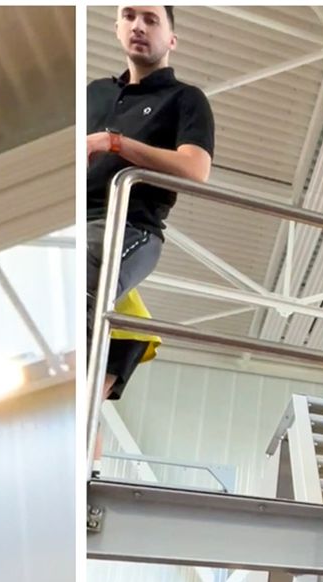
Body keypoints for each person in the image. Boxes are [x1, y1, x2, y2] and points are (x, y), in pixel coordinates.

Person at [85, 6, 214, 340]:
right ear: (116, 28)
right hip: (79, 218)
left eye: (151, 19)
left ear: (172, 39)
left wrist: (115, 143)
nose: (138, 26)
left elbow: (195, 169)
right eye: (129, 17)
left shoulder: (186, 98)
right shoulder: (95, 92)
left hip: (128, 225)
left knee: (83, 293)